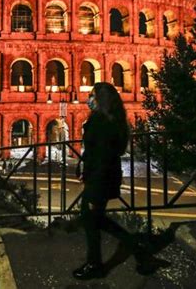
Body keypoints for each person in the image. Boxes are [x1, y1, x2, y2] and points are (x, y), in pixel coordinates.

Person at [73, 82, 158, 280]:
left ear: (101, 100)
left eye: (92, 95)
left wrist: (92, 182)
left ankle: (95, 264)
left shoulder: (103, 123)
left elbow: (101, 156)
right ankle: (138, 249)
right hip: (103, 175)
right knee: (95, 218)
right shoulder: (112, 120)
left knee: (90, 218)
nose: (89, 98)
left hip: (100, 178)